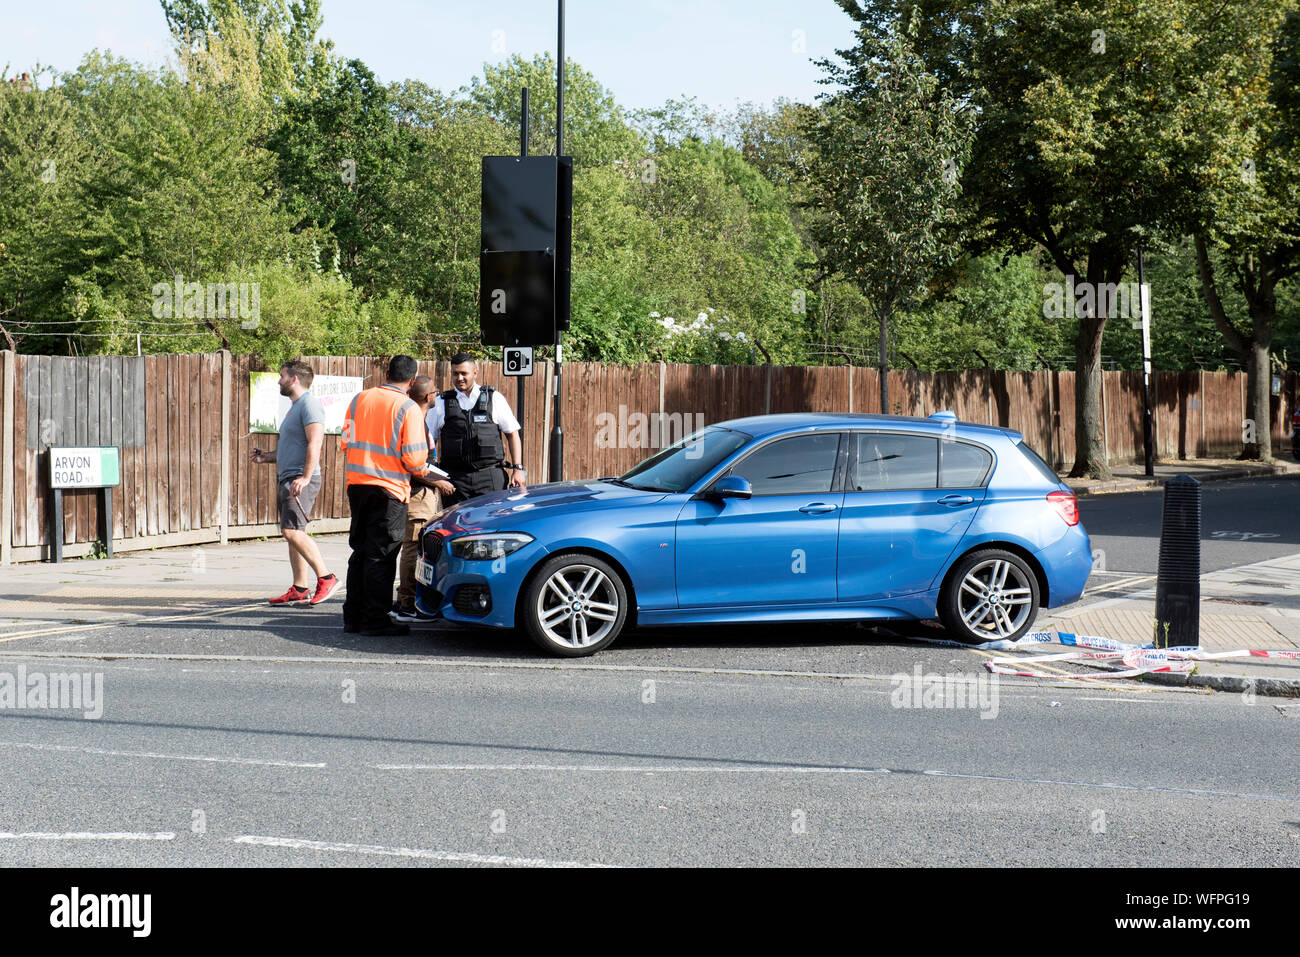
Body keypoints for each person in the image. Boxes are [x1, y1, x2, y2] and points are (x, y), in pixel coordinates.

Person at [341, 355, 429, 637]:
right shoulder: (408, 407)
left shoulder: (359, 399)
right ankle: (374, 620)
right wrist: (424, 470)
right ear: (412, 381)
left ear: (387, 373)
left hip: (357, 485)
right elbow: (415, 459)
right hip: (389, 489)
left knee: (360, 551)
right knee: (382, 555)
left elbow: (346, 441)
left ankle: (353, 616)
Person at [251, 360, 340, 607]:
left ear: (294, 379)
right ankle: (300, 588)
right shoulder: (295, 407)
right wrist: (267, 456)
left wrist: (305, 477)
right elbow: (291, 448)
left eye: (282, 376)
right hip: (289, 477)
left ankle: (327, 578)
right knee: (294, 533)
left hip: (300, 479)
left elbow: (315, 442)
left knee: (291, 531)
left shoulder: (310, 405)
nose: (279, 381)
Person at [428, 353, 526, 507]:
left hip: (490, 476)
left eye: (464, 373)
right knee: (456, 522)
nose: (460, 378)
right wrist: (434, 478)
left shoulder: (494, 398)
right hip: (455, 480)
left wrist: (517, 469)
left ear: (475, 372)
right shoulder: (441, 403)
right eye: (455, 373)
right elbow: (429, 441)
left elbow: (512, 434)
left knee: (492, 521)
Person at [392, 375, 443, 624]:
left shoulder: (416, 420)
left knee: (414, 548)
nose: (437, 394)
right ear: (428, 396)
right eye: (435, 391)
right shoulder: (416, 423)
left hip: (420, 493)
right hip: (417, 495)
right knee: (413, 549)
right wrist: (439, 482)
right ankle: (408, 604)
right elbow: (413, 465)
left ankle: (406, 600)